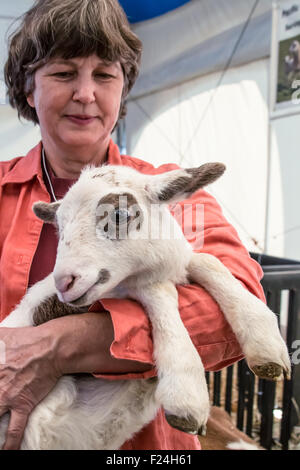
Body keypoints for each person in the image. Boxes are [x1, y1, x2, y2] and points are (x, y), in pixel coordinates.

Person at [0, 0, 265, 450]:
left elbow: (233, 308)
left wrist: (60, 345)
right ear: (29, 88)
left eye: (105, 75)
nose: (86, 93)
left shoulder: (167, 194)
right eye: (64, 74)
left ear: (123, 89)